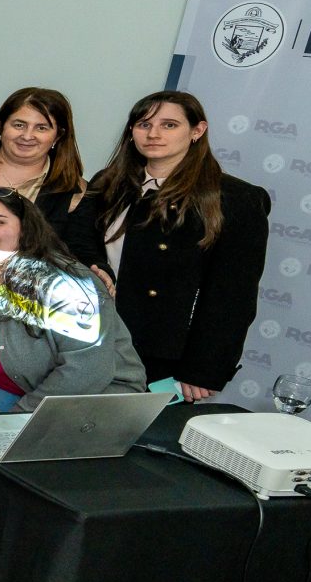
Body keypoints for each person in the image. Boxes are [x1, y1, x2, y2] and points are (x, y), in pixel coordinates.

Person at [82, 90, 270, 399]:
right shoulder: (110, 182)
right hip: (92, 339)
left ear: (197, 131)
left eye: (169, 125)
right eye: (144, 124)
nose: (154, 134)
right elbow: (81, 241)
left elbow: (232, 297)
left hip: (163, 354)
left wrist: (203, 369)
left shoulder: (235, 199)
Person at [0, 189, 148, 415]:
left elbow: (86, 369)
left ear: (25, 229)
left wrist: (15, 420)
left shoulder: (69, 284)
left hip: (87, 394)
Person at [0, 87, 102, 263]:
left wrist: (99, 269)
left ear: (57, 136)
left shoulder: (76, 193)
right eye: (19, 125)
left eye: (41, 128)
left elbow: (83, 254)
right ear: (0, 127)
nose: (27, 136)